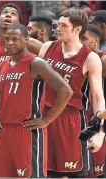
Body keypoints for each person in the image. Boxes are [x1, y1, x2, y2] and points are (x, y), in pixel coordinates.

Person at [0, 24, 72, 178]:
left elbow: (65, 90)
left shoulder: (36, 63)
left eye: (15, 39)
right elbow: (0, 93)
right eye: (7, 39)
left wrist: (47, 119)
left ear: (26, 39)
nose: (10, 42)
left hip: (27, 131)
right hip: (4, 131)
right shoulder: (3, 64)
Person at [39, 8, 105, 177]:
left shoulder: (90, 58)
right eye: (57, 25)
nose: (57, 29)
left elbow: (98, 97)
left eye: (63, 26)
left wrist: (99, 132)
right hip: (44, 117)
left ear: (77, 29)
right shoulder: (46, 48)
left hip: (71, 120)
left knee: (75, 174)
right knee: (42, 173)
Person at [0, 3, 43, 135]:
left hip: (22, 109)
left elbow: (52, 68)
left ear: (20, 23)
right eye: (5, 12)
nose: (8, 14)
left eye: (13, 13)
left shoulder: (32, 45)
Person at [81, 24, 106, 178]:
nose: (79, 42)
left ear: (95, 43)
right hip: (78, 121)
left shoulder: (102, 60)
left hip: (97, 122)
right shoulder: (73, 58)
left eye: (83, 39)